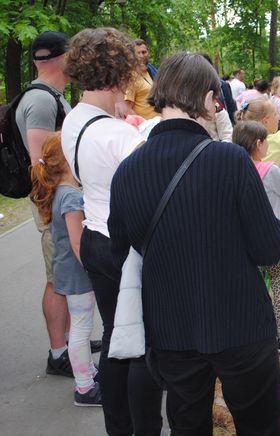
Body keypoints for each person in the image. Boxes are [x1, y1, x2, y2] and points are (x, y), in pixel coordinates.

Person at [108, 53, 280, 436]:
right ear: (208, 100)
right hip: (241, 324)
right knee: (260, 426)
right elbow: (269, 248)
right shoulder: (231, 160)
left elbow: (121, 250)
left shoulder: (126, 172)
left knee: (187, 425)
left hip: (170, 329)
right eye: (217, 101)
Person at [61, 27, 163, 436]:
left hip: (93, 238)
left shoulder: (74, 121)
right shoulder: (119, 134)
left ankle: (118, 426)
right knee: (139, 347)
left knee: (114, 342)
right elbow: (152, 187)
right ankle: (145, 427)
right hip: (124, 246)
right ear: (121, 75)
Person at [15, 30, 80, 378]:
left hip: (59, 200)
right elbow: (39, 163)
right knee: (57, 277)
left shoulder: (51, 95)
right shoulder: (40, 100)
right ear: (59, 57)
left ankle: (69, 343)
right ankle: (59, 353)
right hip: (53, 202)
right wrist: (57, 207)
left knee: (63, 274)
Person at [30, 132, 101, 407]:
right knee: (82, 328)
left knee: (80, 328)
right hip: (77, 273)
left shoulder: (61, 191)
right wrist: (93, 267)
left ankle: (86, 373)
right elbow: (77, 242)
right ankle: (84, 387)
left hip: (67, 271)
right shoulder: (71, 197)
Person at [232, 120, 280, 354]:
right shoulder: (269, 170)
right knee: (279, 284)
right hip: (270, 238)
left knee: (251, 285)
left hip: (243, 238)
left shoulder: (233, 168)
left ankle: (250, 330)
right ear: (258, 144)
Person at [115, 39, 159, 120]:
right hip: (145, 128)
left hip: (158, 125)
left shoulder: (150, 71)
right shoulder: (131, 78)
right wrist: (145, 125)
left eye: (144, 52)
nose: (141, 56)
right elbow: (126, 109)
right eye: (137, 53)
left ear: (148, 53)